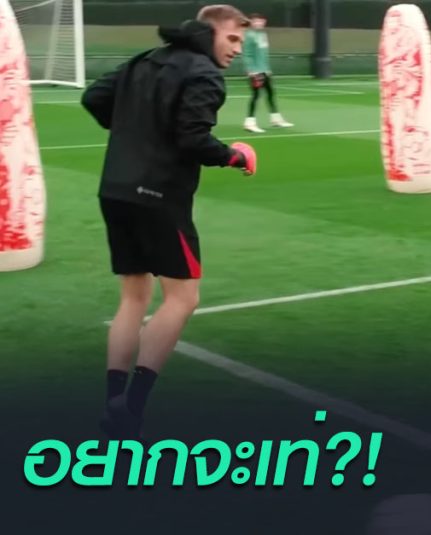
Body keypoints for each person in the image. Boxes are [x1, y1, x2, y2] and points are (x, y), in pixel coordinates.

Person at [81, 4, 258, 440]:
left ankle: (114, 403)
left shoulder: (146, 59)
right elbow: (193, 138)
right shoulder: (204, 73)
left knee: (133, 296)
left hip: (115, 189)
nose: (237, 49)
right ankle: (133, 407)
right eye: (233, 38)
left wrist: (134, 130)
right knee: (183, 298)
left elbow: (94, 97)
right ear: (208, 32)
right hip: (158, 196)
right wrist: (235, 156)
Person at [242, 13, 293, 133]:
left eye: (260, 21)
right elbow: (247, 54)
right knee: (256, 96)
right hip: (256, 71)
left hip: (264, 70)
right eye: (255, 21)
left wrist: (267, 69)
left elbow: (263, 54)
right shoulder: (248, 35)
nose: (258, 23)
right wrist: (250, 70)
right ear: (251, 22)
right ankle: (249, 122)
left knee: (270, 94)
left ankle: (276, 119)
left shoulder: (263, 35)